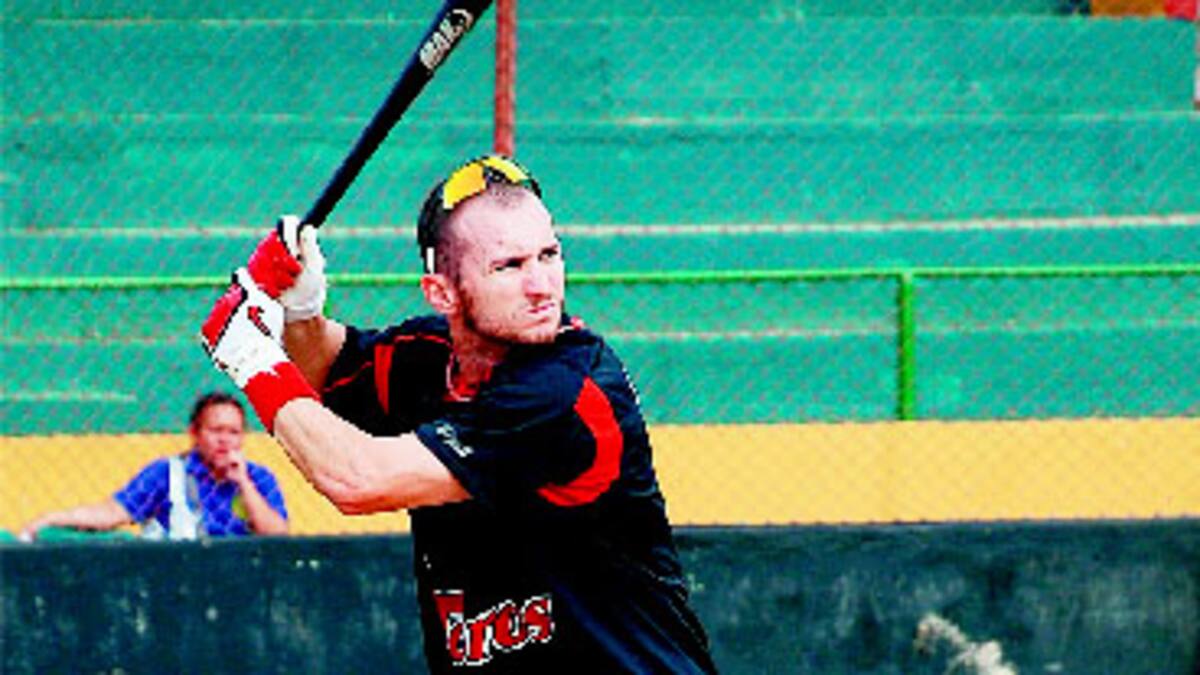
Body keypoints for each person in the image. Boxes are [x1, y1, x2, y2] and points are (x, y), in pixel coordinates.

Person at [200, 155, 718, 673]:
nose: (542, 286)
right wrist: (301, 309)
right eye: (509, 267)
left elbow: (356, 480)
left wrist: (251, 356)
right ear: (441, 292)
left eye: (549, 255)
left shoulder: (565, 393)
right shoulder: (428, 357)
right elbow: (324, 368)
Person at [19, 391, 289, 541]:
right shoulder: (167, 474)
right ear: (195, 433)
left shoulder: (258, 478)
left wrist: (243, 483)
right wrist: (52, 519)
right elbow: (113, 512)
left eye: (233, 432)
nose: (225, 440)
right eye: (216, 430)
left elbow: (278, 536)